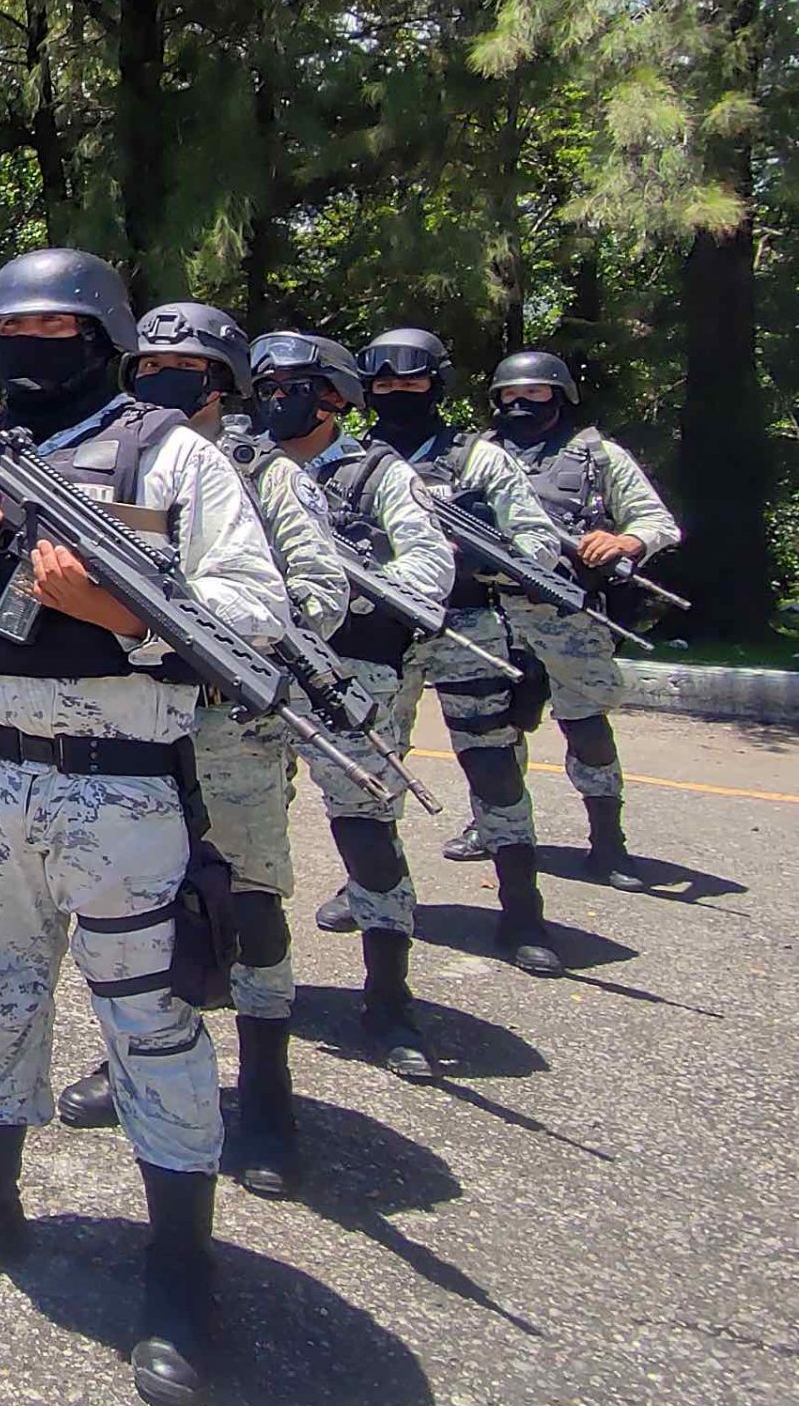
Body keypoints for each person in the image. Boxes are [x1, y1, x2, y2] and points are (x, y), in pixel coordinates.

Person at [0, 249, 288, 1406]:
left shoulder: (177, 455)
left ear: (100, 338)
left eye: (52, 330)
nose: (26, 350)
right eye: (11, 330)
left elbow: (256, 622)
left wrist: (119, 613)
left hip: (123, 787)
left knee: (149, 1023)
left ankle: (179, 1266)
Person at [55, 303, 347, 1198]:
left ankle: (266, 1093)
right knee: (125, 910)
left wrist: (187, 618)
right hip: (131, 724)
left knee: (249, 909)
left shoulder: (267, 477)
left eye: (185, 367)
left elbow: (320, 600)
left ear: (224, 384)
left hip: (231, 732)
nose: (161, 380)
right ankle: (133, 1056)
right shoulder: (123, 459)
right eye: (149, 365)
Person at [252, 332, 463, 1075]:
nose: (279, 395)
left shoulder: (378, 473)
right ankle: (243, 988)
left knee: (367, 832)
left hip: (357, 675)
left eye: (297, 383)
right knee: (239, 840)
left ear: (335, 395)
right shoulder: (242, 468)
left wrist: (360, 583)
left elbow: (432, 565)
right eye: (268, 382)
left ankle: (389, 997)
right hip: (259, 675)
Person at [351, 328, 567, 974]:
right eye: (384, 383)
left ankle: (522, 908)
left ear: (437, 384)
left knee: (493, 767)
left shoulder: (478, 460)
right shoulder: (351, 462)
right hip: (380, 633)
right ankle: (369, 893)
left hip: (466, 624)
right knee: (366, 772)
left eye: (411, 381)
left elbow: (542, 545)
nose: (397, 392)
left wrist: (480, 553)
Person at [483, 349, 683, 888]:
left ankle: (608, 841)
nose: (520, 403)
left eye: (534, 393)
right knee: (494, 730)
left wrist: (624, 540)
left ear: (560, 395)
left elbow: (656, 521)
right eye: (509, 395)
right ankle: (493, 828)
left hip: (571, 614)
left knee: (587, 728)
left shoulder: (598, 457)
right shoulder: (477, 455)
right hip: (493, 611)